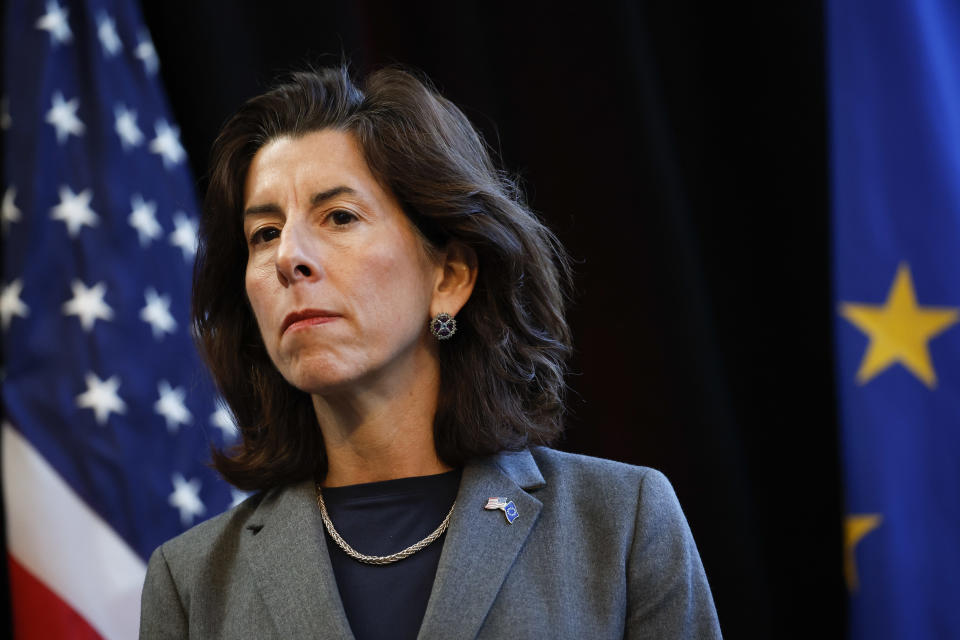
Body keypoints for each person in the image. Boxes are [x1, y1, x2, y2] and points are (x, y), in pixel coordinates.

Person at [139, 65, 722, 639]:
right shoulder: (190, 582)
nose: (289, 256)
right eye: (264, 233)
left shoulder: (620, 523)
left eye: (339, 216)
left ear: (449, 277)